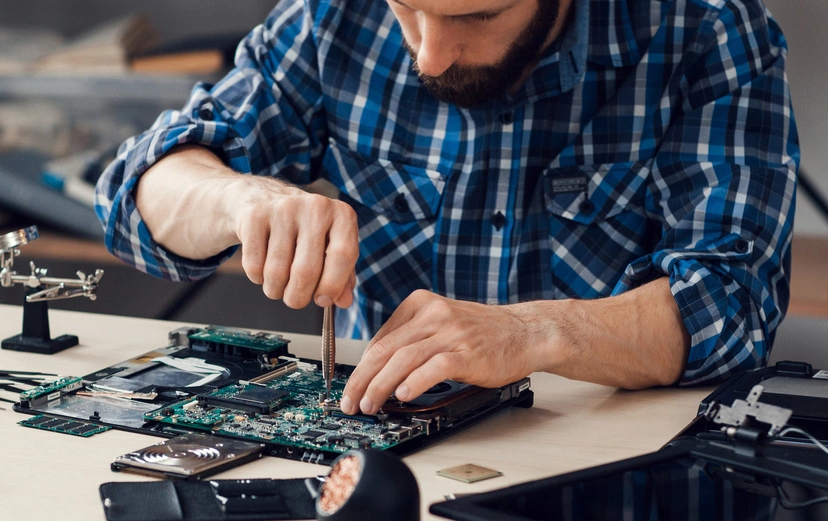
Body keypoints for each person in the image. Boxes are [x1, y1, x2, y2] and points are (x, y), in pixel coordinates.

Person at [96, 0, 798, 417]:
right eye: (406, 8)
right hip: (388, 455)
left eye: (477, 15)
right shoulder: (333, 15)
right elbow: (132, 194)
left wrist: (537, 332)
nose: (430, 56)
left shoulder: (706, 26)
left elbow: (734, 303)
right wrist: (238, 196)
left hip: (608, 463)